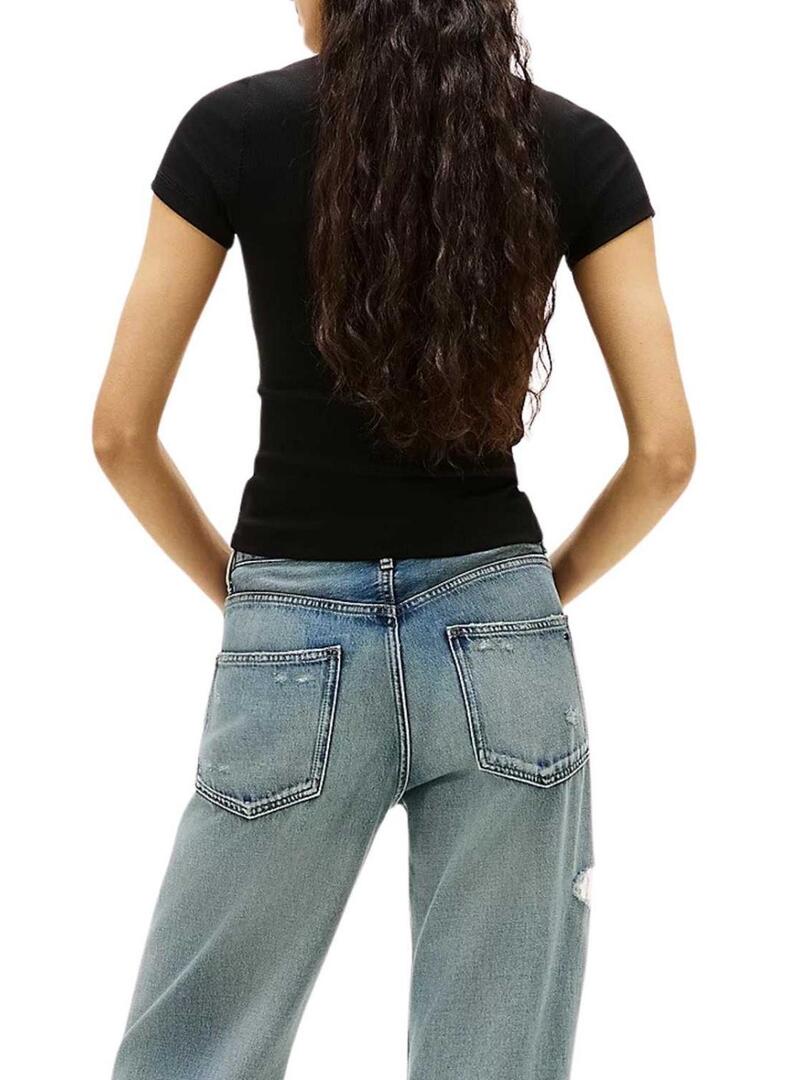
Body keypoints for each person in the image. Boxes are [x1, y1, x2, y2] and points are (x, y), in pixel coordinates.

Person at [94, 2, 695, 1077]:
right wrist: (528, 598)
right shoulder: (574, 145)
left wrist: (249, 595)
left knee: (192, 1055)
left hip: (293, 635)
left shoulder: (229, 130)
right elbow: (665, 455)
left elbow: (119, 434)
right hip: (502, 641)